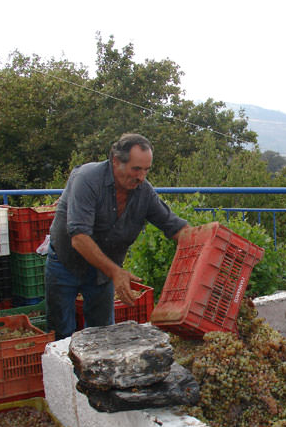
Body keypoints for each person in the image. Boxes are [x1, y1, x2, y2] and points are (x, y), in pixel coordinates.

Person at [45, 133, 189, 340]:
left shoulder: (144, 192)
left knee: (103, 334)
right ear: (115, 161)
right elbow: (79, 237)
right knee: (61, 332)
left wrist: (204, 243)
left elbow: (174, 226)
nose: (141, 177)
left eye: (146, 170)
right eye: (136, 169)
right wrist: (116, 272)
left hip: (102, 271)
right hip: (65, 262)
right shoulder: (87, 179)